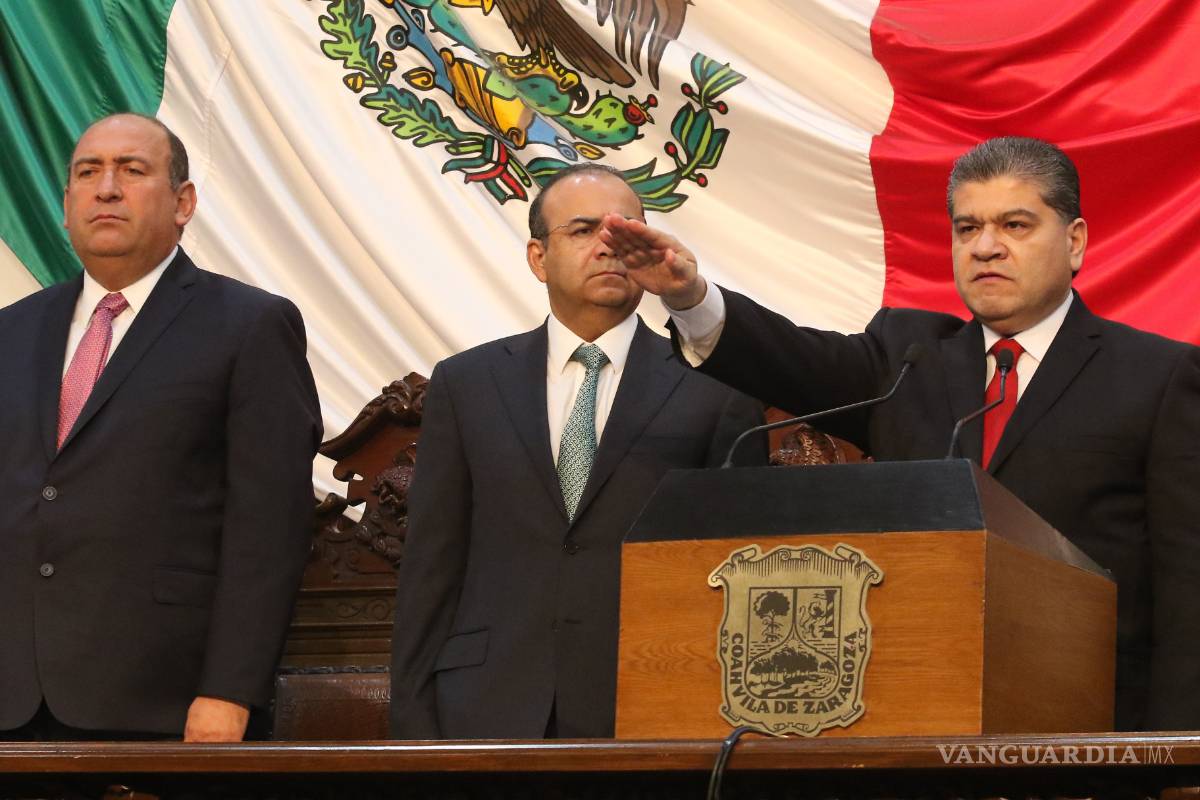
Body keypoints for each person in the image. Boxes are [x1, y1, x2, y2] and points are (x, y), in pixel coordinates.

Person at [602, 136, 1200, 731]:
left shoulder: (1158, 376)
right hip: (916, 718)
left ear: (1075, 242)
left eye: (1015, 225)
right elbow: (789, 358)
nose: (986, 247)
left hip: (1089, 728)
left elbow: (1186, 583)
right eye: (967, 229)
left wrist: (1176, 754)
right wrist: (689, 297)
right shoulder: (907, 356)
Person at [389, 164, 765, 739]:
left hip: (652, 705)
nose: (608, 247)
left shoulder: (714, 387)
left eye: (626, 231)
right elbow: (431, 568)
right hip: (484, 705)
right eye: (584, 230)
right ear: (538, 258)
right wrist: (412, 732)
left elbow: (741, 571)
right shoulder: (468, 383)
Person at [0, 113, 322, 741]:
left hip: (162, 701)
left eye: (133, 170)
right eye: (87, 173)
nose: (107, 188)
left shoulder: (250, 326)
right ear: (66, 206)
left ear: (184, 203)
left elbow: (270, 527)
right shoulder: (11, 332)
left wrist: (231, 690)